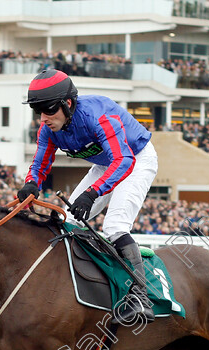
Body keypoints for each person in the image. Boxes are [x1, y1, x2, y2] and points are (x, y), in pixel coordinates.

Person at [18, 69, 158, 323]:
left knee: (114, 226)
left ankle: (141, 297)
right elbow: (40, 162)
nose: (43, 118)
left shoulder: (97, 116)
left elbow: (124, 160)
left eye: (48, 110)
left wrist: (93, 193)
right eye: (38, 111)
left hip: (136, 159)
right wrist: (30, 184)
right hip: (107, 163)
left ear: (67, 103)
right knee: (68, 221)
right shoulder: (48, 128)